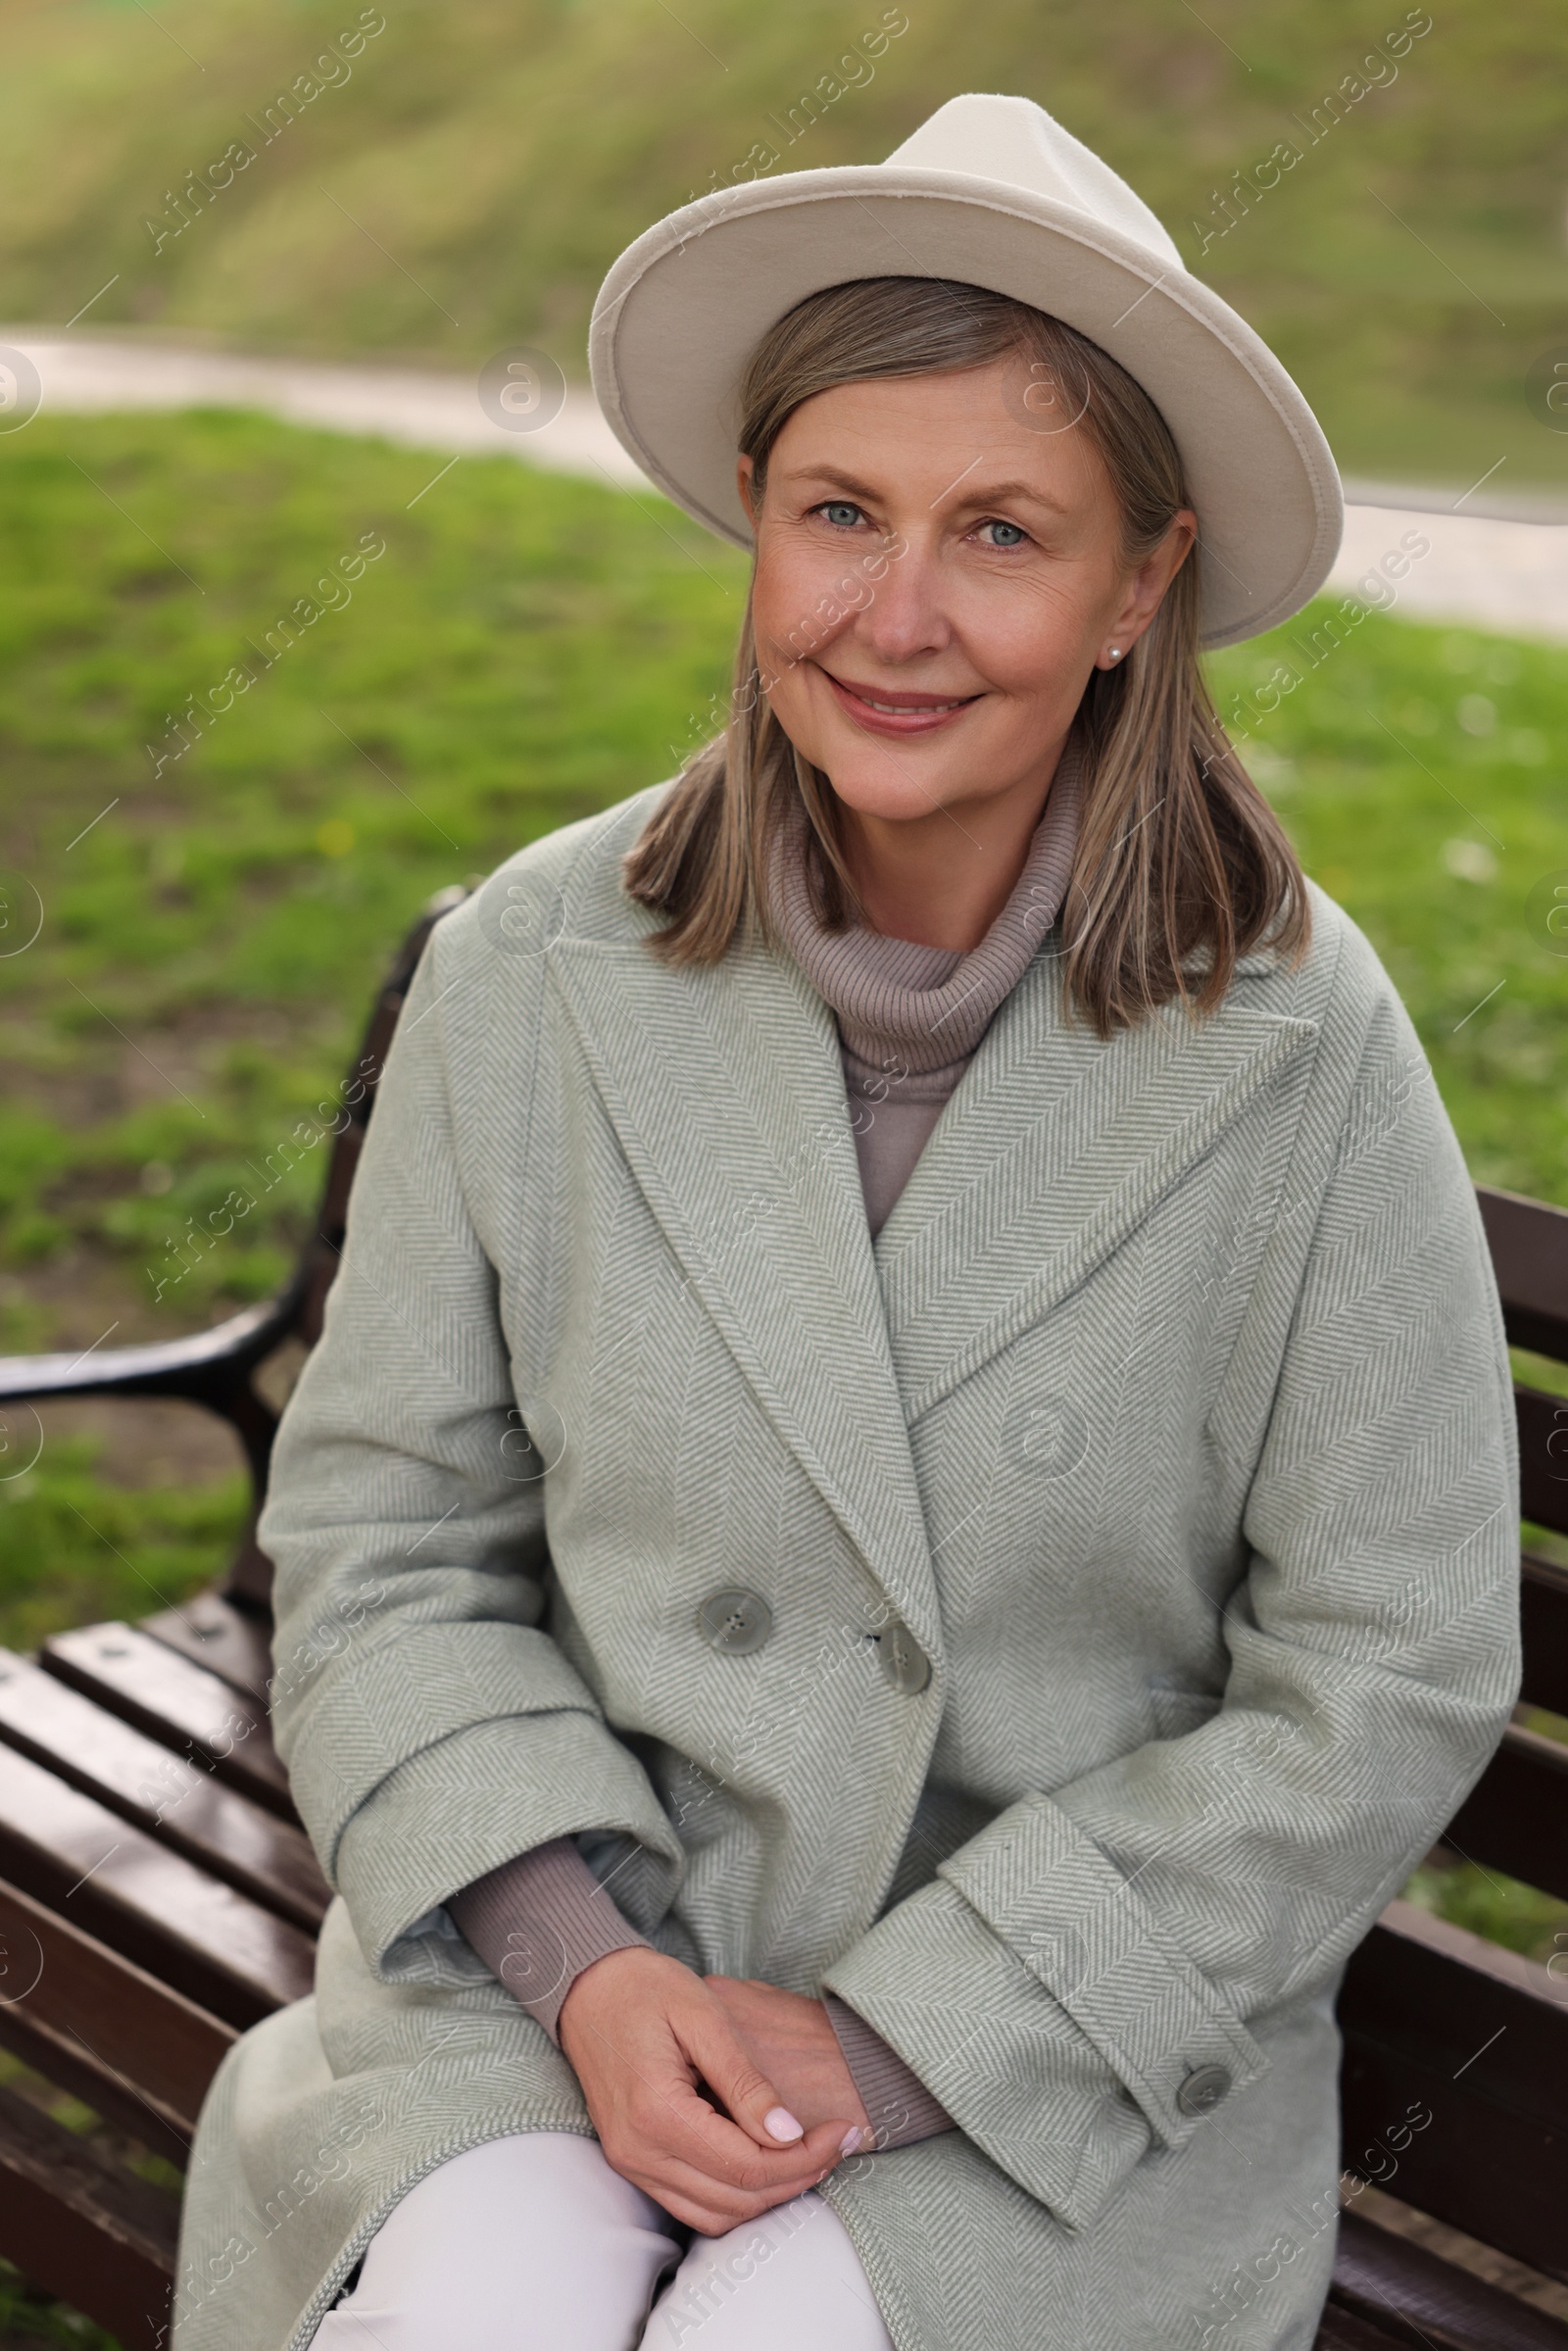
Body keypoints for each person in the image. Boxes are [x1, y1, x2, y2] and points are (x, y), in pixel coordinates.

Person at [172, 93, 1520, 2351]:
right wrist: (591, 1972)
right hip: (549, 1956)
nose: (894, 619)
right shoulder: (535, 965)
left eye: (999, 531)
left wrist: (900, 2039)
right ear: (753, 529)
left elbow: (1384, 1672)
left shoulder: (1296, 1045)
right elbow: (389, 1530)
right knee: (462, 2313)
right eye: (835, 515)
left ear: (1135, 584)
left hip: (1051, 2043)